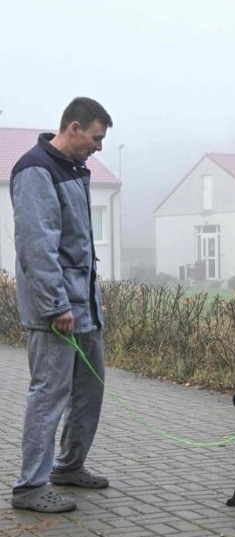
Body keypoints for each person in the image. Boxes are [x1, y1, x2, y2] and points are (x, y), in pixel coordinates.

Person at [10, 97, 113, 513]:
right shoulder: (37, 169)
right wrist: (55, 306)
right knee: (49, 395)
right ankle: (30, 487)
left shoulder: (73, 169)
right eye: (96, 137)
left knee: (90, 390)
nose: (99, 147)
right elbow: (38, 246)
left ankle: (68, 466)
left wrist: (84, 302)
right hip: (56, 312)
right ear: (74, 127)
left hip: (84, 308)